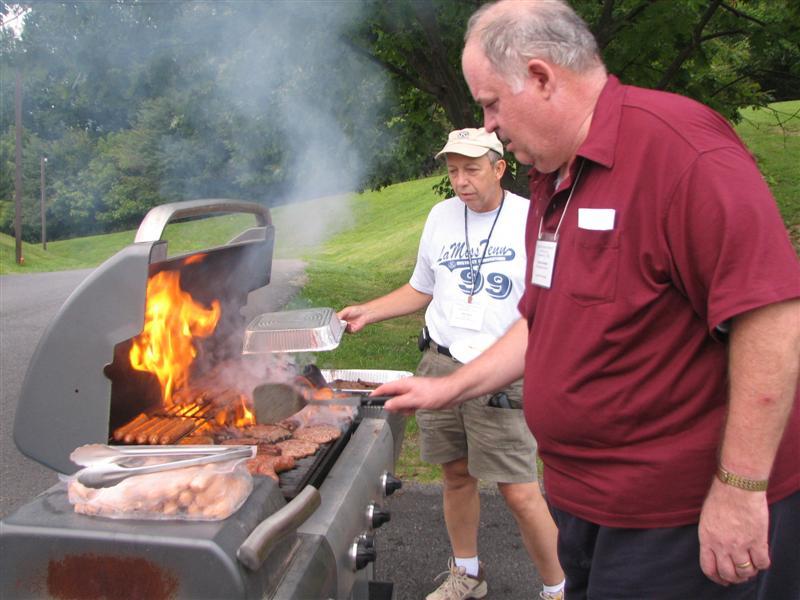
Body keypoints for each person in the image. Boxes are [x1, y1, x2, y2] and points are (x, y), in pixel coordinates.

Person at [378, 2, 800, 599]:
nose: (490, 124)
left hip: (676, 520)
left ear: (542, 76)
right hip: (585, 503)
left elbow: (774, 319)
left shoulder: (681, 150)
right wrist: (450, 386)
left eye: (492, 102)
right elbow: (543, 321)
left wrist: (740, 489)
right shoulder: (553, 178)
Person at [338, 127, 565, 600]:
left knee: (519, 490)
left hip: (501, 374)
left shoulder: (533, 219)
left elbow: (552, 305)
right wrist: (370, 311)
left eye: (472, 169)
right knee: (456, 476)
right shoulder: (441, 217)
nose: (461, 180)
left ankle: (558, 588)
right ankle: (467, 574)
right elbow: (424, 286)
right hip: (440, 365)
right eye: (453, 169)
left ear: (500, 168)